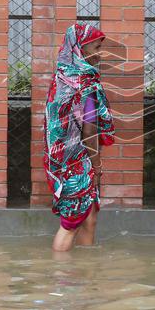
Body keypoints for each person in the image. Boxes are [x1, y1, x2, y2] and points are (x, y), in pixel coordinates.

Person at [44, 22, 115, 252]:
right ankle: (60, 275)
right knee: (71, 223)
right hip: (78, 163)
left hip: (64, 161)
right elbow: (89, 130)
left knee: (90, 217)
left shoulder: (60, 80)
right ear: (80, 49)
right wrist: (96, 165)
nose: (100, 54)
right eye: (95, 48)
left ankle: (85, 270)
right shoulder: (85, 84)